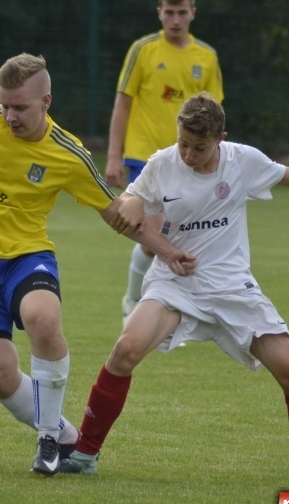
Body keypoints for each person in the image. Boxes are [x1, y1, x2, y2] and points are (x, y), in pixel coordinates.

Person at [58, 92, 289, 483]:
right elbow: (128, 206)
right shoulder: (161, 164)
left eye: (200, 148)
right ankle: (85, 453)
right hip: (175, 284)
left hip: (231, 286)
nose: (189, 155)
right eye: (183, 144)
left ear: (221, 138)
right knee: (126, 349)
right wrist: (131, 204)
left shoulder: (244, 161)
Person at [0, 53, 193, 476]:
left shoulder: (68, 154)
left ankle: (44, 440)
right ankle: (66, 436)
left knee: (42, 317)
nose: (9, 116)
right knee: (0, 374)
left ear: (46, 102)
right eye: (4, 105)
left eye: (20, 107)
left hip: (26, 257)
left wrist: (166, 251)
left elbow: (116, 213)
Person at [106, 0, 224, 324]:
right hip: (144, 156)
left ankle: (168, 309)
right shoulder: (142, 50)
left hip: (189, 160)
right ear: (159, 12)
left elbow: (214, 116)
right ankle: (134, 303)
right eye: (169, 12)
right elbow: (122, 103)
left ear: (193, 13)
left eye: (182, 13)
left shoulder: (207, 57)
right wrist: (114, 156)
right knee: (153, 234)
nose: (175, 19)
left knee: (174, 238)